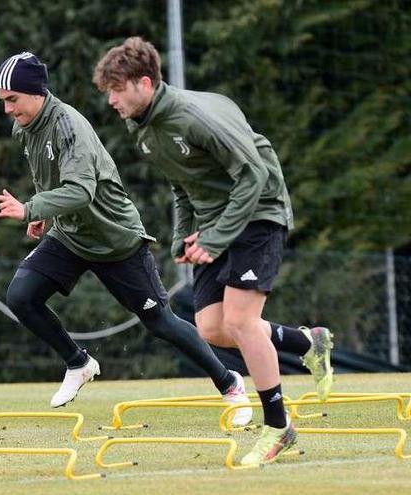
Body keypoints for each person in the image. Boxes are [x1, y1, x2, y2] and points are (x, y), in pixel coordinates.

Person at [93, 36, 334, 465]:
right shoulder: (144, 129)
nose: (110, 99)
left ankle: (279, 426)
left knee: (241, 321)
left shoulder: (191, 116)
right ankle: (305, 341)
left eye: (116, 88)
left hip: (259, 209)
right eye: (107, 90)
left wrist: (216, 239)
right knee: (212, 328)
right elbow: (182, 183)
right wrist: (182, 235)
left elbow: (254, 173)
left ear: (143, 83)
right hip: (215, 220)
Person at [0, 51, 253, 426]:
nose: (8, 110)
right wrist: (44, 213)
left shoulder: (68, 126)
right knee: (21, 296)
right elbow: (49, 175)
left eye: (12, 100)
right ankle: (78, 362)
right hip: (71, 236)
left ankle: (230, 384)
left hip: (116, 240)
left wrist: (32, 207)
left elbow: (81, 190)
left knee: (160, 322)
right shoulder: (25, 126)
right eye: (3, 102)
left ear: (36, 92)